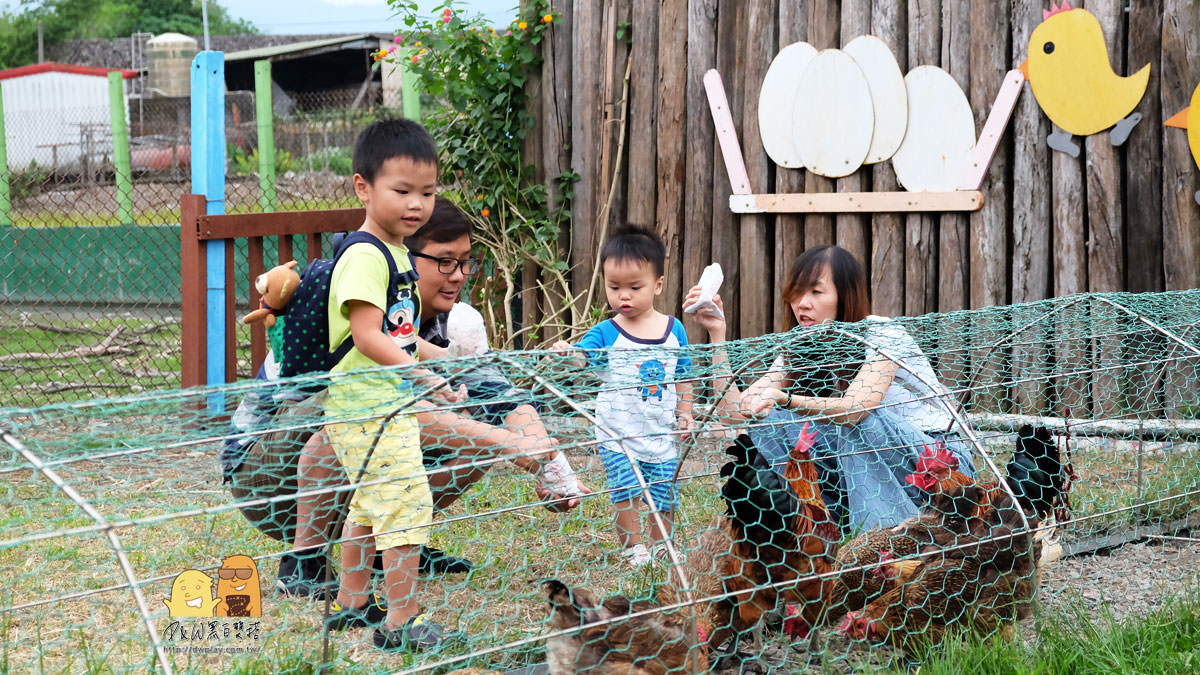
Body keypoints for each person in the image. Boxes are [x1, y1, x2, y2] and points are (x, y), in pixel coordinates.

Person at [277, 197, 588, 600]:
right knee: (365, 417)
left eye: (465, 262)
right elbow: (373, 403)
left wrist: (552, 470)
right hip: (276, 458)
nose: (458, 276)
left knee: (468, 425)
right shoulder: (357, 289)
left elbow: (498, 392)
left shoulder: (451, 319)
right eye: (445, 261)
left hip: (366, 462)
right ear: (404, 254)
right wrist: (513, 445)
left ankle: (390, 547)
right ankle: (303, 559)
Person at [683, 244, 976, 534]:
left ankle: (882, 541)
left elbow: (855, 410)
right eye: (797, 292)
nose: (802, 303)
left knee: (859, 420)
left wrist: (785, 399)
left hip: (940, 463)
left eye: (815, 292)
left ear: (844, 296)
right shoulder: (800, 347)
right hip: (861, 464)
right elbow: (734, 413)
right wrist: (717, 334)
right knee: (769, 417)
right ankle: (817, 527)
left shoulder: (881, 332)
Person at [552, 226, 693, 568]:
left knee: (665, 494)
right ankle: (634, 547)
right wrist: (568, 352)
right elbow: (583, 357)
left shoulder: (674, 330)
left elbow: (685, 374)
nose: (623, 296)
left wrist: (686, 413)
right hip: (618, 434)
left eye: (634, 287)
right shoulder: (606, 333)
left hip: (660, 433)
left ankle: (662, 544)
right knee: (627, 492)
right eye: (614, 287)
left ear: (658, 285)